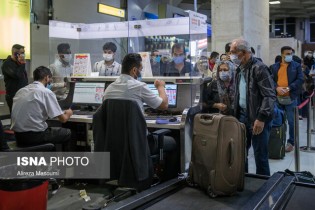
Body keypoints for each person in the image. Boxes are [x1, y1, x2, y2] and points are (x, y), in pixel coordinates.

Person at [103, 53, 177, 175]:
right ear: (134, 70)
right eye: (141, 69)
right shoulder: (139, 86)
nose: (141, 72)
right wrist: (161, 87)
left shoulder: (109, 88)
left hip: (115, 142)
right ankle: (169, 182)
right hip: (138, 142)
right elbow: (164, 105)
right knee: (174, 141)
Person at [230, 38, 276, 176]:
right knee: (240, 153)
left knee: (260, 155)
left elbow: (269, 96)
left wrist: (261, 118)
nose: (230, 55)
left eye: (233, 52)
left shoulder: (259, 68)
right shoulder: (239, 69)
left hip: (258, 117)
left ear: (243, 52)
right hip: (243, 116)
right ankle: (243, 181)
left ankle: (263, 187)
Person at [11, 66, 73, 150]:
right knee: (68, 133)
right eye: (50, 79)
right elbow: (63, 119)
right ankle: (68, 161)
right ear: (47, 77)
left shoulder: (21, 90)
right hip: (34, 136)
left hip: (18, 136)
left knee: (50, 129)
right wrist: (69, 113)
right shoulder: (46, 92)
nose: (51, 82)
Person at [270, 46, 304, 153]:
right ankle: (278, 140)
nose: (290, 55)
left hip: (291, 97)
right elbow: (270, 80)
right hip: (278, 98)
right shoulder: (274, 67)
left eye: (291, 53)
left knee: (291, 121)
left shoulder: (296, 66)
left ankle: (291, 142)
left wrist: (289, 87)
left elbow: (300, 79)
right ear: (282, 55)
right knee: (278, 120)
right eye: (288, 53)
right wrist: (277, 88)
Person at [1, 44, 28, 113]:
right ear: (15, 54)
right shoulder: (7, 64)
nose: (23, 55)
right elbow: (17, 75)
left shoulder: (18, 63)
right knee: (15, 117)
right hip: (13, 96)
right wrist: (22, 63)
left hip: (23, 94)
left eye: (24, 53)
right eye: (22, 53)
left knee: (23, 116)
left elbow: (23, 78)